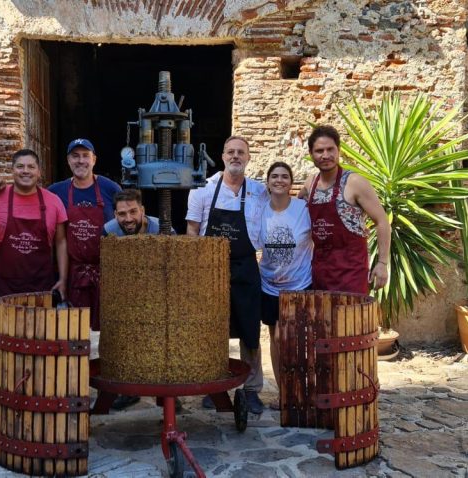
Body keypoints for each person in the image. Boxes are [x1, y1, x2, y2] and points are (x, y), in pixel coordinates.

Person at [186, 136, 269, 414]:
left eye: (241, 152)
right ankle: (215, 387)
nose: (236, 156)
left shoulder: (259, 191)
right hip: (210, 269)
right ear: (222, 156)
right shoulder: (203, 189)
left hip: (246, 266)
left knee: (250, 329)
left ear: (248, 157)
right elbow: (192, 231)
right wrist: (196, 270)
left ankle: (252, 389)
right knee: (213, 328)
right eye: (231, 152)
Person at [101, 188, 173, 410]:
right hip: (125, 294)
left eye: (133, 211)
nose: (128, 218)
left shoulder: (162, 228)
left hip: (159, 293)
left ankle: (168, 394)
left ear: (143, 210)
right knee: (124, 343)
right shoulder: (108, 232)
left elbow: (176, 265)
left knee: (162, 343)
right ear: (115, 214)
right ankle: (127, 391)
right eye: (122, 214)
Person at [300, 125, 391, 293]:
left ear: (339, 150)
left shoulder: (355, 182)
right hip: (320, 273)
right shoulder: (310, 184)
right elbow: (294, 213)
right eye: (319, 151)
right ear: (311, 154)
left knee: (352, 311)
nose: (325, 155)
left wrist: (382, 263)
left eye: (330, 149)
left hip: (352, 274)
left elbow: (382, 221)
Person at [48, 138, 122, 330]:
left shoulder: (111, 189)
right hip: (73, 275)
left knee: (107, 331)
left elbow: (126, 225)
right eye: (75, 156)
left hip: (106, 274)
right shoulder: (56, 192)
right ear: (68, 160)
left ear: (94, 160)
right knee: (74, 331)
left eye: (85, 156)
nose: (80, 161)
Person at [0, 149, 68, 301]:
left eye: (31, 167)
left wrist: (63, 279)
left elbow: (61, 242)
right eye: (20, 166)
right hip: (4, 287)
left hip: (41, 287)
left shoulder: (54, 201)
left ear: (39, 172)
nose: (25, 171)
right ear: (12, 170)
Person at [259, 161, 312, 406]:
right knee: (276, 339)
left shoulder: (303, 209)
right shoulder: (260, 211)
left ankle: (300, 391)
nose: (279, 180)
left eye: (284, 176)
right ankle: (284, 394)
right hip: (269, 285)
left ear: (291, 183)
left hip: (300, 284)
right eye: (274, 176)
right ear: (268, 183)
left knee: (296, 339)